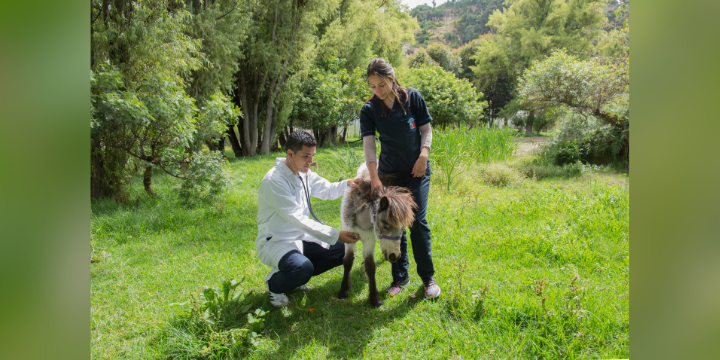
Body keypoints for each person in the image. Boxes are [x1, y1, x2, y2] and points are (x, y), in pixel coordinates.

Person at [359, 58, 441, 299]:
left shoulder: (412, 97)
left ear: (392, 78)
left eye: (381, 84)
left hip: (417, 170)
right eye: (372, 86)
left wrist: (423, 156)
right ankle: (400, 277)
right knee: (394, 223)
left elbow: (426, 129)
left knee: (417, 222)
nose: (377, 90)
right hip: (389, 173)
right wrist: (374, 178)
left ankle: (428, 279)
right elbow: (369, 146)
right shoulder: (369, 109)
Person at [255, 130, 361, 307]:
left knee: (342, 251)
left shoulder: (303, 172)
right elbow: (298, 219)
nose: (311, 162)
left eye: (312, 156)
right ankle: (274, 284)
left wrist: (349, 184)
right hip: (276, 241)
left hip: (300, 237)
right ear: (290, 154)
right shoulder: (275, 180)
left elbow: (326, 189)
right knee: (302, 268)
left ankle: (295, 276)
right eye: (306, 156)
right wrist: (335, 233)